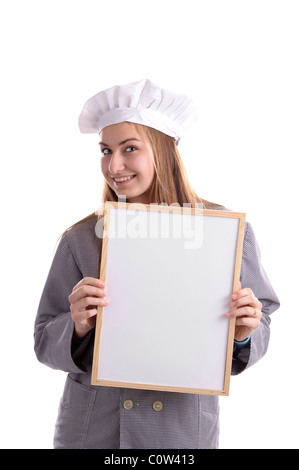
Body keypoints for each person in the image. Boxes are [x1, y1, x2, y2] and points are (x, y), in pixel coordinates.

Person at [34, 79, 280, 449]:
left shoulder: (223, 232)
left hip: (179, 432)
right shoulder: (81, 238)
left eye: (129, 148)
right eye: (105, 150)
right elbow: (42, 337)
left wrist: (245, 332)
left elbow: (262, 317)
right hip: (96, 430)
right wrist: (79, 325)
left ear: (163, 151)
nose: (113, 164)